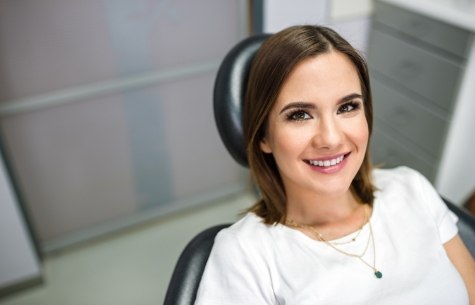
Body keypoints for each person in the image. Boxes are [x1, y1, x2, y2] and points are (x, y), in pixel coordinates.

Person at [195, 25, 475, 304]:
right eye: (300, 115)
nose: (330, 138)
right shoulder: (243, 254)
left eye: (347, 107)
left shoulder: (412, 189)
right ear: (264, 136)